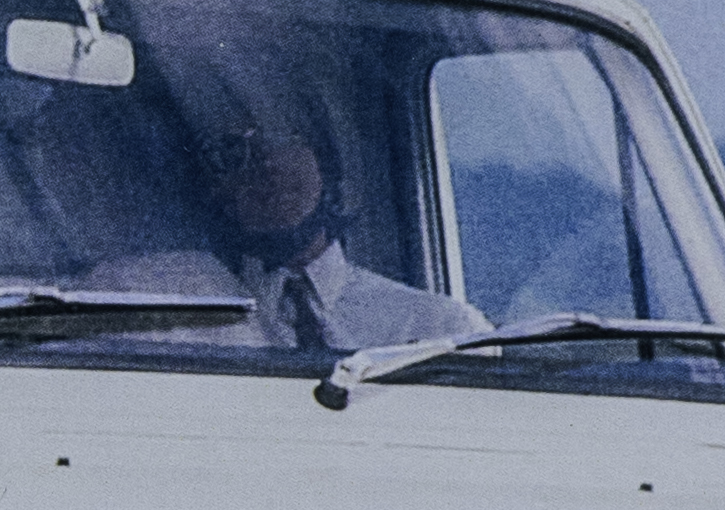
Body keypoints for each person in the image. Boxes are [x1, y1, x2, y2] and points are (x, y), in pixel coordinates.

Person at [120, 117, 485, 355]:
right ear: (213, 188)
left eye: (282, 136)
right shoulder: (160, 314)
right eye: (232, 152)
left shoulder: (439, 328)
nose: (265, 162)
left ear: (325, 161)